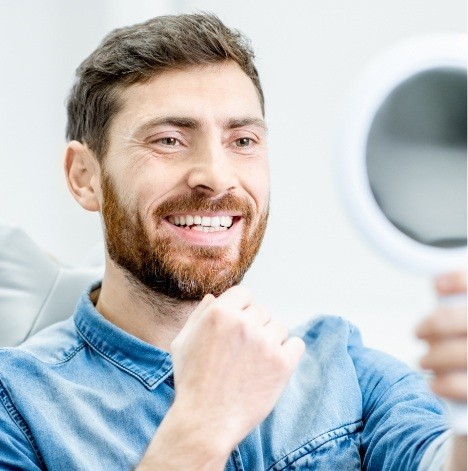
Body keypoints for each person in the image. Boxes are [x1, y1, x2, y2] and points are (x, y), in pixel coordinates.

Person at [0, 13, 466, 470]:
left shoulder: (344, 368)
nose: (216, 177)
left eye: (242, 141)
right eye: (168, 140)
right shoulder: (16, 405)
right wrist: (202, 425)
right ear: (85, 177)